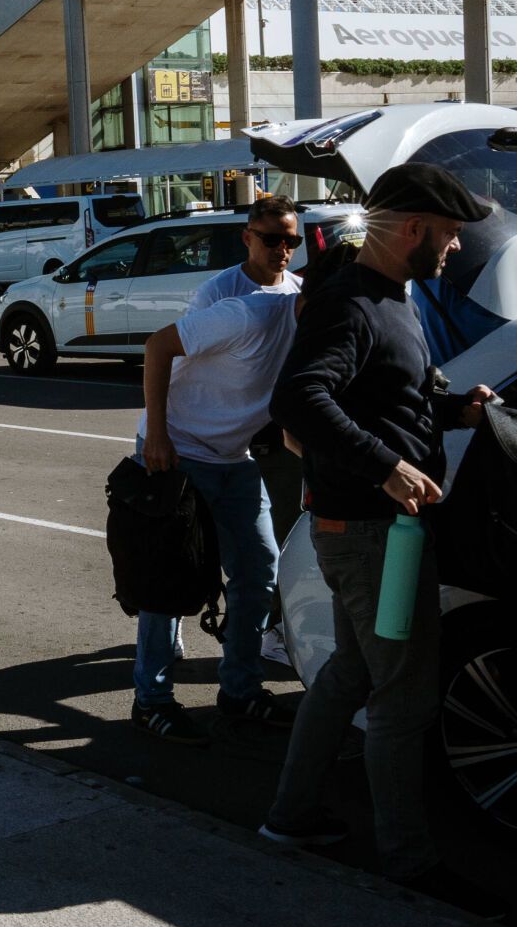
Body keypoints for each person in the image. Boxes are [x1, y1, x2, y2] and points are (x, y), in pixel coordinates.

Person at [263, 162, 504, 919]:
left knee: (349, 676)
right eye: (450, 232)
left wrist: (453, 409)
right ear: (411, 229)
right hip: (378, 538)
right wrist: (390, 465)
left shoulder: (391, 296)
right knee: (404, 695)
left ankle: (288, 817)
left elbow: (397, 392)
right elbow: (298, 398)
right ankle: (409, 861)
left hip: (359, 533)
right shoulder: (351, 304)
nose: (458, 247)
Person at [129, 241, 360, 746]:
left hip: (234, 458)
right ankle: (150, 700)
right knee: (172, 578)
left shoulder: (320, 336)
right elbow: (157, 347)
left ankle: (239, 691)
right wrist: (160, 436)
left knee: (259, 569)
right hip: (178, 452)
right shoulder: (250, 314)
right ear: (317, 300)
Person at [190, 193, 303, 309]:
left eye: (291, 240)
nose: (281, 249)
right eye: (272, 240)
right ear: (247, 238)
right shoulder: (217, 292)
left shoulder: (302, 291)